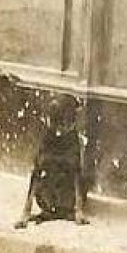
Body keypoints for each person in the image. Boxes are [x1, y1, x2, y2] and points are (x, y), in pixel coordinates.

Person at [14, 93, 88, 228]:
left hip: (67, 193)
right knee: (41, 174)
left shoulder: (72, 140)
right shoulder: (47, 139)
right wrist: (26, 212)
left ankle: (72, 210)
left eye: (68, 120)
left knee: (78, 175)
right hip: (47, 191)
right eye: (57, 120)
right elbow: (36, 174)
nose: (63, 125)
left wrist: (79, 210)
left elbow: (77, 175)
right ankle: (45, 209)